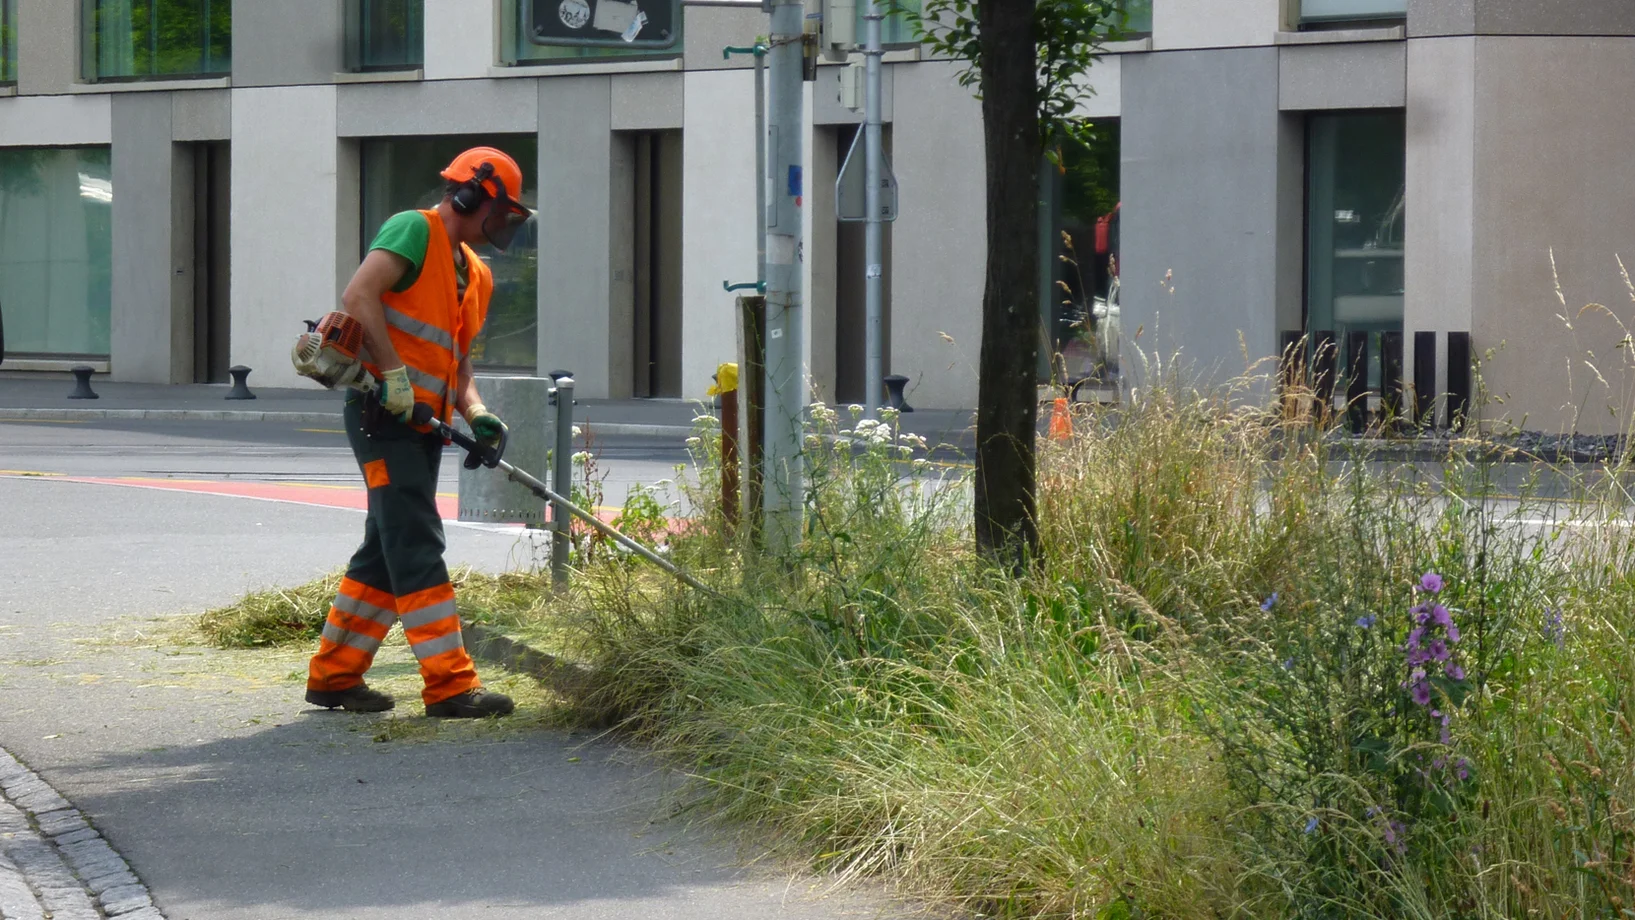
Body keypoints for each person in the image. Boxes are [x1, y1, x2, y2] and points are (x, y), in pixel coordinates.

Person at [305, 147, 534, 718]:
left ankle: (334, 677)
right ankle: (450, 685)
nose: (501, 226)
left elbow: (460, 366)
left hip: (422, 424)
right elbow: (359, 295)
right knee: (416, 542)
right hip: (381, 415)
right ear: (470, 196)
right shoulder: (413, 230)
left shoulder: (475, 273)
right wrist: (396, 376)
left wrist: (477, 412)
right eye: (498, 211)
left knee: (385, 550)